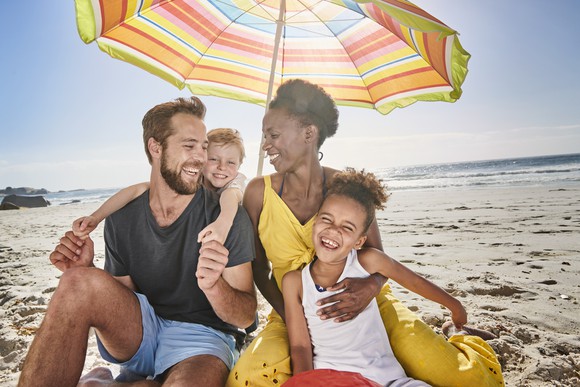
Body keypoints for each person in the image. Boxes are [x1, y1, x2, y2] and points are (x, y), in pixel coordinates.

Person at [227, 79, 504, 386]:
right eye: (265, 135)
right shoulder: (257, 192)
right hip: (288, 310)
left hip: (367, 305)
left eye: (274, 134)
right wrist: (295, 313)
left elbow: (378, 258)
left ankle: (461, 337)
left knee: (463, 379)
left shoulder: (348, 190)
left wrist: (370, 288)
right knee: (247, 378)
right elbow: (258, 267)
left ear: (309, 134)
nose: (266, 144)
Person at [18, 98, 257, 387]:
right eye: (189, 145)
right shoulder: (122, 218)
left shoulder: (226, 217)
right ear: (155, 148)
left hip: (202, 340)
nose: (200, 157)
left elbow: (245, 316)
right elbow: (124, 296)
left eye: (204, 147)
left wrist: (214, 286)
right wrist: (90, 270)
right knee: (77, 281)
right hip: (144, 330)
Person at [283, 168, 454, 386]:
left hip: (386, 378)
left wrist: (454, 306)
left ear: (359, 241)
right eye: (327, 219)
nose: (334, 230)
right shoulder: (295, 282)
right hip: (332, 378)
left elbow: (414, 281)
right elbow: (300, 346)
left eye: (347, 227)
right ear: (315, 222)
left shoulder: (367, 262)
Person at [73, 128, 247, 245]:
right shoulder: (194, 178)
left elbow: (230, 197)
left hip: (229, 234)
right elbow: (139, 189)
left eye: (231, 162)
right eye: (214, 159)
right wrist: (96, 217)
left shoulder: (234, 183)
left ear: (239, 165)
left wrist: (223, 223)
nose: (222, 167)